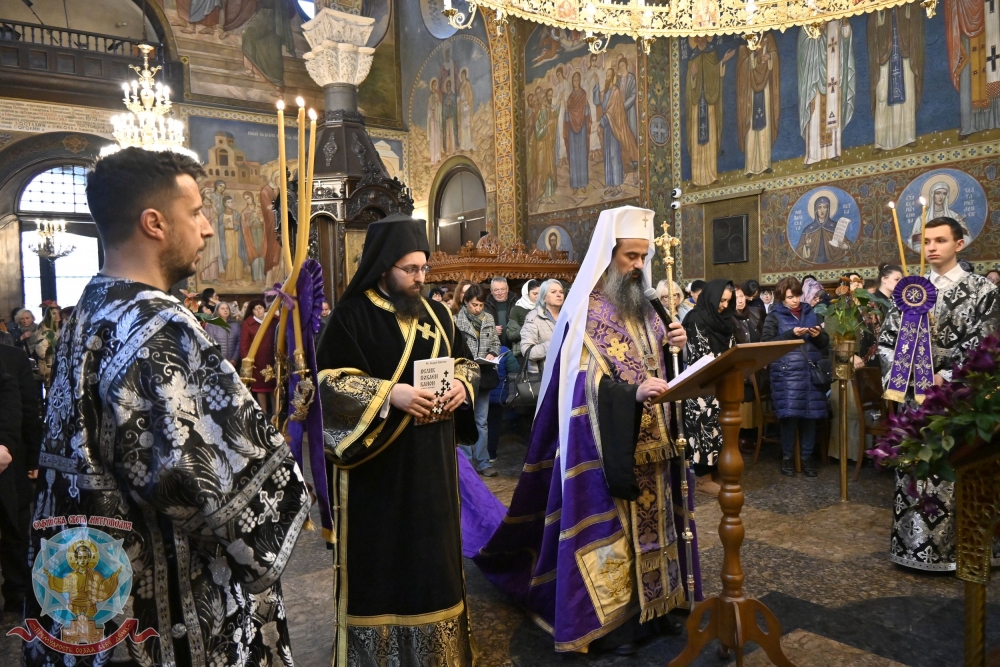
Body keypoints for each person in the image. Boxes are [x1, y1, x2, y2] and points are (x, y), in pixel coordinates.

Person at [22, 148, 309, 666]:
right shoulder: (161, 325)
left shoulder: (89, 307)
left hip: (90, 589)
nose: (207, 228)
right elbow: (210, 478)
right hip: (165, 601)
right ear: (154, 223)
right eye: (195, 212)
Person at [469, 206, 697, 654]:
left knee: (660, 530)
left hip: (657, 447)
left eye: (644, 256)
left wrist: (678, 348)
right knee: (618, 539)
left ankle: (661, 609)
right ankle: (619, 625)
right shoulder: (586, 313)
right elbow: (579, 385)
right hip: (609, 449)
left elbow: (663, 368)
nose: (639, 265)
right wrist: (631, 395)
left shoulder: (650, 308)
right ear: (609, 255)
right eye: (631, 256)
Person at [315, 213, 479, 667]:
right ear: (384, 266)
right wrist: (391, 395)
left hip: (432, 467)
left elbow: (465, 362)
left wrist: (463, 385)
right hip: (378, 474)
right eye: (410, 269)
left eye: (424, 268)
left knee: (433, 561)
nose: (420, 278)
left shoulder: (438, 315)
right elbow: (327, 384)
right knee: (384, 565)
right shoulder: (351, 316)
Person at [878, 216, 999, 571]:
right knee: (916, 467)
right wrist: (910, 374)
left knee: (956, 468)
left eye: (940, 240)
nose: (931, 247)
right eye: (926, 241)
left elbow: (987, 343)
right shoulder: (910, 291)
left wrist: (944, 376)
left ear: (959, 244)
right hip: (915, 399)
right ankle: (914, 548)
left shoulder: (982, 291)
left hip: (959, 399)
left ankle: (965, 550)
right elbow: (887, 341)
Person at [762, 276, 830, 477]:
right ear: (782, 297)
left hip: (810, 373)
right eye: (790, 297)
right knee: (789, 417)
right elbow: (766, 344)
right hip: (786, 374)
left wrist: (819, 335)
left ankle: (808, 458)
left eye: (797, 296)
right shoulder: (774, 316)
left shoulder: (811, 312)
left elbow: (824, 344)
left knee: (811, 416)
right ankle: (787, 457)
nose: (794, 300)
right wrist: (791, 334)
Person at [682, 279, 736, 496]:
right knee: (703, 430)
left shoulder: (726, 319)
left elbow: (732, 348)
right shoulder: (695, 318)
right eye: (721, 300)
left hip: (723, 383)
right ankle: (702, 479)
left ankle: (717, 472)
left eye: (728, 301)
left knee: (719, 430)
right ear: (712, 297)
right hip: (701, 386)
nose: (724, 305)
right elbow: (701, 354)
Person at [0, 341, 41, 620]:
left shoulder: (12, 359)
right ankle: (17, 593)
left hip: (8, 456)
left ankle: (18, 592)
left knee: (15, 526)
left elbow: (26, 411)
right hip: (12, 454)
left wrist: (32, 459)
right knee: (15, 527)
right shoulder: (14, 357)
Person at [456, 283, 501, 478]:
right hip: (464, 376)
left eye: (481, 305)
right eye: (474, 304)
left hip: (484, 375)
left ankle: (483, 461)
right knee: (465, 419)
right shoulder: (456, 320)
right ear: (465, 302)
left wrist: (492, 353)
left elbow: (496, 342)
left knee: (482, 421)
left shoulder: (488, 318)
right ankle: (466, 464)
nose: (478, 308)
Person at [238, 299, 278, 416]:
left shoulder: (274, 320)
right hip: (257, 361)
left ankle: (276, 413)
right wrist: (247, 361)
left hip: (273, 358)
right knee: (261, 388)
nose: (258, 311)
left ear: (264, 308)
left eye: (260, 308)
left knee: (274, 387)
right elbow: (244, 344)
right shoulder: (248, 323)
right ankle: (264, 412)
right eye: (255, 309)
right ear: (252, 311)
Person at [519, 278, 563, 376]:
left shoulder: (568, 317)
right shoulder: (534, 317)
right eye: (553, 292)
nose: (559, 295)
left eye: (561, 292)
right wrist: (553, 345)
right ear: (543, 298)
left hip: (566, 373)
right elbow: (527, 351)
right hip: (543, 375)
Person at [506, 279, 540, 363]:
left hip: (541, 351)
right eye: (535, 294)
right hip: (522, 353)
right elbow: (510, 335)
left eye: (540, 293)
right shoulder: (516, 309)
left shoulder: (544, 308)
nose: (538, 296)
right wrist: (527, 330)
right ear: (526, 293)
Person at [204, 301, 241, 367]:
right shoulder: (211, 325)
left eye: (227, 308)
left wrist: (234, 359)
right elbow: (210, 344)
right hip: (217, 362)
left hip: (233, 362)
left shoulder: (235, 325)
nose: (225, 310)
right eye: (222, 308)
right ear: (217, 311)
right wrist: (219, 360)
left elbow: (239, 342)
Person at [485, 275, 517, 347]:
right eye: (496, 290)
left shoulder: (517, 303)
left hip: (515, 346)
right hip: (494, 346)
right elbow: (479, 327)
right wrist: (491, 330)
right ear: (491, 291)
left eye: (503, 289)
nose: (500, 293)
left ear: (507, 289)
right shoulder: (485, 306)